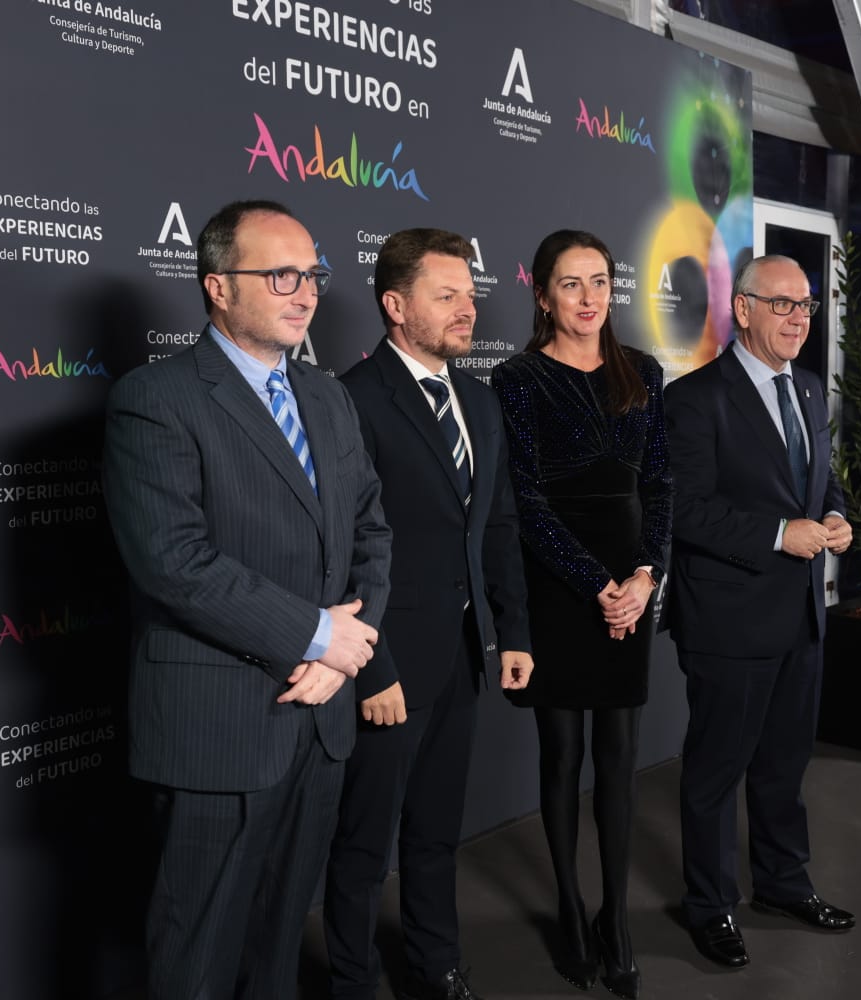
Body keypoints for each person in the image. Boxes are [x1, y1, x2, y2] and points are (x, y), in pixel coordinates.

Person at [102, 200, 391, 999]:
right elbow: (173, 563)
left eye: (313, 275)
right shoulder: (156, 399)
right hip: (219, 727)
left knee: (275, 948)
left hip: (319, 719)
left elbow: (373, 531)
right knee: (195, 955)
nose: (306, 293)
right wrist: (313, 637)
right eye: (282, 275)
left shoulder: (328, 396)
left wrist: (345, 653)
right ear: (218, 288)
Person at [325, 229, 535, 1000]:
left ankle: (437, 965)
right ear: (394, 305)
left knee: (436, 832)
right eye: (446, 295)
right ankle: (351, 981)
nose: (467, 309)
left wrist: (510, 631)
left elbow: (500, 526)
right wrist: (371, 665)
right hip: (385, 664)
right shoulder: (351, 399)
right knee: (361, 842)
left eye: (469, 295)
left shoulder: (479, 401)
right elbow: (339, 547)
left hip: (461, 657)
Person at [491, 230, 673, 1000]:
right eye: (572, 284)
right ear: (542, 294)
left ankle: (615, 917)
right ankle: (569, 907)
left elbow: (661, 485)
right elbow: (523, 500)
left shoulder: (645, 372)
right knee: (562, 757)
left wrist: (644, 576)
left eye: (600, 281)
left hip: (629, 586)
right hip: (562, 589)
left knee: (621, 763)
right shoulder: (517, 379)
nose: (591, 298)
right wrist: (594, 582)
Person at [663, 254, 855, 970]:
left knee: (782, 769)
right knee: (716, 775)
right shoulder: (694, 399)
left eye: (806, 305)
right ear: (742, 310)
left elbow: (821, 482)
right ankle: (708, 906)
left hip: (801, 618)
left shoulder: (807, 390)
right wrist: (780, 534)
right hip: (729, 622)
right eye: (782, 304)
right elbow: (685, 509)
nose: (799, 317)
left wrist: (834, 517)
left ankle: (782, 884)